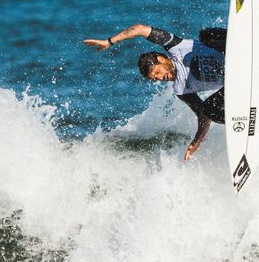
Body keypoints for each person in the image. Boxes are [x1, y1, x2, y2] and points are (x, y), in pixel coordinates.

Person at [84, 24, 226, 161]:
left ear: (162, 59)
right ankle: (241, 119)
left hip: (228, 51)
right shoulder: (181, 89)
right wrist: (198, 140)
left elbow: (140, 29)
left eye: (157, 72)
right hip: (231, 85)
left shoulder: (177, 47)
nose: (159, 78)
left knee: (205, 35)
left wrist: (109, 41)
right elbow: (202, 115)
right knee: (208, 110)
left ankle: (241, 43)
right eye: (155, 78)